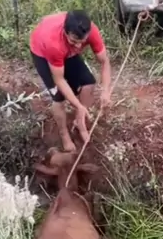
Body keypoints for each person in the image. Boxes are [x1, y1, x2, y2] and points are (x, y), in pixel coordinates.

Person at [30, 9, 112, 153]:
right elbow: (60, 80)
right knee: (59, 97)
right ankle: (64, 134)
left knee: (88, 83)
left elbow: (104, 61)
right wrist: (78, 105)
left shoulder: (90, 31)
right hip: (42, 52)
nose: (79, 46)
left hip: (65, 50)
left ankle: (80, 122)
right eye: (74, 41)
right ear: (65, 32)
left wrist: (106, 90)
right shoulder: (54, 43)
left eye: (82, 42)